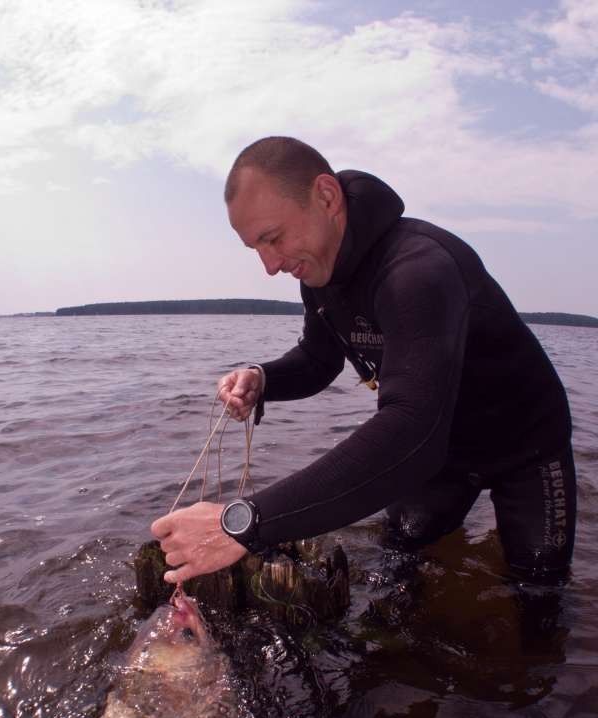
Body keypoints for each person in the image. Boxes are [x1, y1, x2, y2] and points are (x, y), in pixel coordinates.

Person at [151, 136, 576, 586]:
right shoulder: (318, 273)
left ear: (327, 197)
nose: (270, 266)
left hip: (525, 447)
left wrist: (243, 522)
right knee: (399, 565)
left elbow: (410, 430)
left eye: (273, 239)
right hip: (443, 454)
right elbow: (318, 360)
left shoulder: (418, 270)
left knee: (537, 592)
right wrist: (263, 379)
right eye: (255, 247)